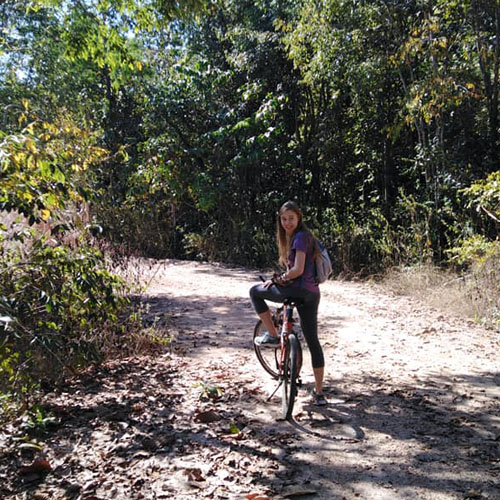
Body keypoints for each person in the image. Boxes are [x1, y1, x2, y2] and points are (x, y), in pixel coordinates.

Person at [249, 201, 326, 406]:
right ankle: (319, 393)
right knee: (313, 340)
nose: (287, 223)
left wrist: (278, 279)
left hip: (296, 289)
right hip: (312, 293)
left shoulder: (300, 237)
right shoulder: (305, 237)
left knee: (255, 292)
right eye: (283, 219)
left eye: (291, 218)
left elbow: (298, 270)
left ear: (299, 218)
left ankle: (273, 335)